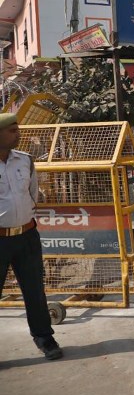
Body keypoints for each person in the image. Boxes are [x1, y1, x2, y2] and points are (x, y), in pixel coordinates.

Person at [0, 113, 63, 360]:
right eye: (12, 130)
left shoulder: (25, 160)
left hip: (26, 235)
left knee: (35, 290)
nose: (18, 133)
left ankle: (45, 338)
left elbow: (32, 194)